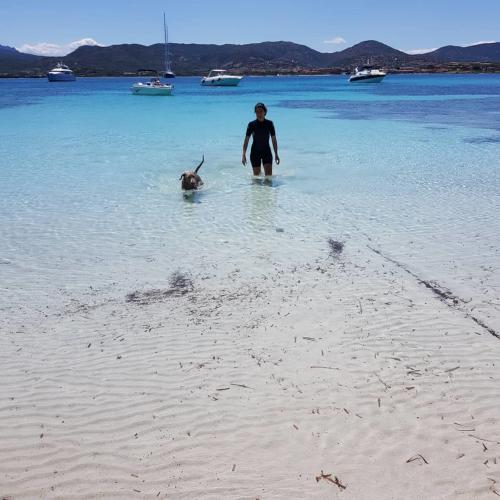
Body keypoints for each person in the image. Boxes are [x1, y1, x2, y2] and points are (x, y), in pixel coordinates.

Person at [242, 102, 280, 176]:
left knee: (268, 178)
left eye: (261, 111)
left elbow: (274, 140)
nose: (259, 113)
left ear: (265, 112)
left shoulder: (269, 124)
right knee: (257, 179)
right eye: (257, 111)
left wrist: (276, 154)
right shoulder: (251, 124)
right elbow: (246, 140)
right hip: (255, 152)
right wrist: (243, 154)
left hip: (267, 152)